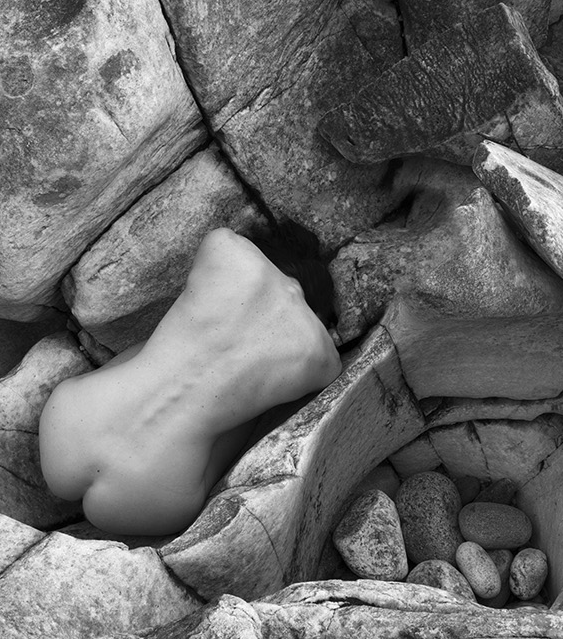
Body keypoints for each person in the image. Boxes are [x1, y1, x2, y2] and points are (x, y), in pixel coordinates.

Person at [39, 224, 342, 537]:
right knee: (250, 410)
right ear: (319, 311)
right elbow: (331, 370)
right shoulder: (321, 356)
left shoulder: (225, 246)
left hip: (68, 424)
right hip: (150, 499)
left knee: (160, 348)